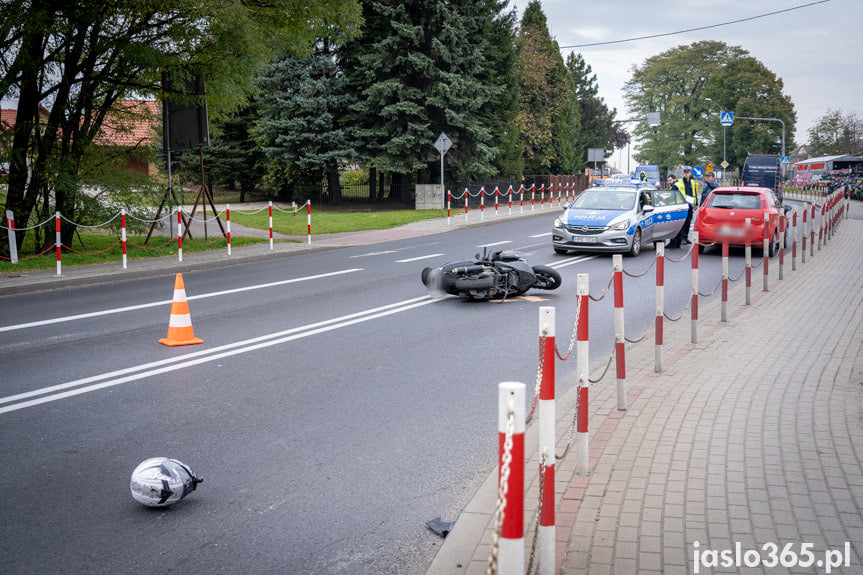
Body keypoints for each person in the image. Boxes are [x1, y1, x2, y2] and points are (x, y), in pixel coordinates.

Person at [670, 167, 699, 247]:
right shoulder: (679, 183)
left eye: (688, 172)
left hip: (690, 204)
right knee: (683, 222)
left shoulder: (692, 182)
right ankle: (682, 238)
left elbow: (694, 193)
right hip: (682, 205)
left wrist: (696, 203)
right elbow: (674, 193)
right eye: (685, 172)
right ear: (683, 173)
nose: (686, 174)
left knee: (688, 222)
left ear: (690, 173)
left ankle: (685, 237)